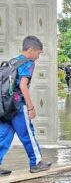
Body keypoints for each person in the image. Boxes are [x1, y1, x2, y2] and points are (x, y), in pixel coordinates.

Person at [0, 36, 51, 175]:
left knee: (3, 136)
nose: (38, 57)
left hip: (5, 105)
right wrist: (30, 107)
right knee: (28, 135)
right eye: (38, 53)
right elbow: (23, 86)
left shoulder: (13, 61)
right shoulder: (28, 63)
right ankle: (36, 163)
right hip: (17, 105)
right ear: (31, 50)